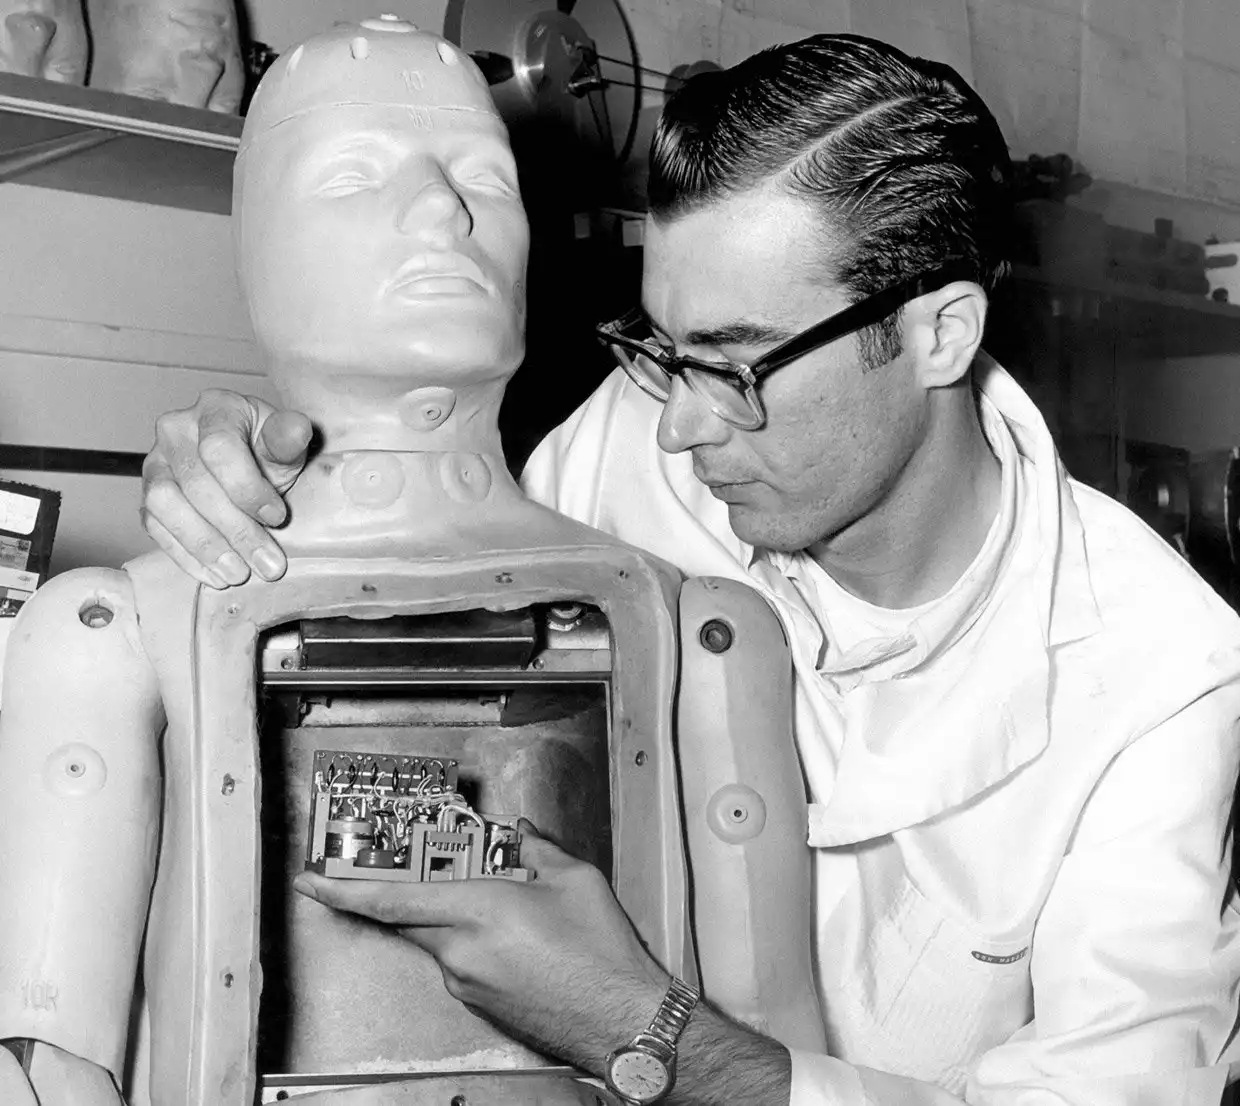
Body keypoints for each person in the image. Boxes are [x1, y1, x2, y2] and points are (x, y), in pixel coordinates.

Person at [140, 32, 1240, 1106]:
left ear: (939, 333)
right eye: (663, 352)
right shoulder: (635, 443)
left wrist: (639, 1029)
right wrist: (270, 469)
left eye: (734, 366)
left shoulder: (1161, 677)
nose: (677, 428)